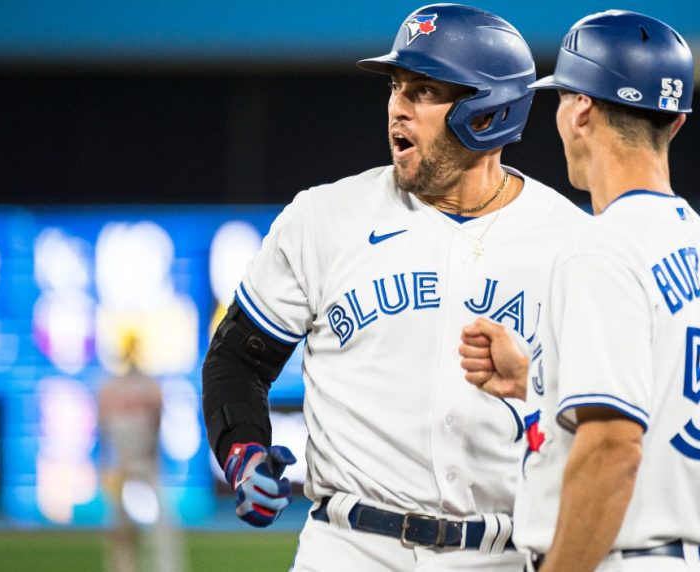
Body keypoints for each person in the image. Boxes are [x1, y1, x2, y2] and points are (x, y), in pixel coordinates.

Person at [200, 4, 586, 571]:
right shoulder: (323, 217)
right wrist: (243, 454)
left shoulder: (572, 244)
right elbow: (237, 359)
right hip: (349, 546)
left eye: (424, 90)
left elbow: (606, 417)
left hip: (502, 554)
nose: (397, 108)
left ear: (489, 112)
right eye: (396, 86)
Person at [459, 11, 700, 572]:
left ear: (581, 109)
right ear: (674, 122)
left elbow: (613, 449)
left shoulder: (602, 248)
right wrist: (538, 381)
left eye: (561, 98)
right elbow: (667, 402)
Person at [99, 335, 184, 572]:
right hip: (121, 463)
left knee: (162, 523)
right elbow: (104, 432)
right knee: (120, 527)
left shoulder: (149, 385)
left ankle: (167, 567)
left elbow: (157, 426)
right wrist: (106, 467)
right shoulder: (109, 386)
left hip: (146, 461)